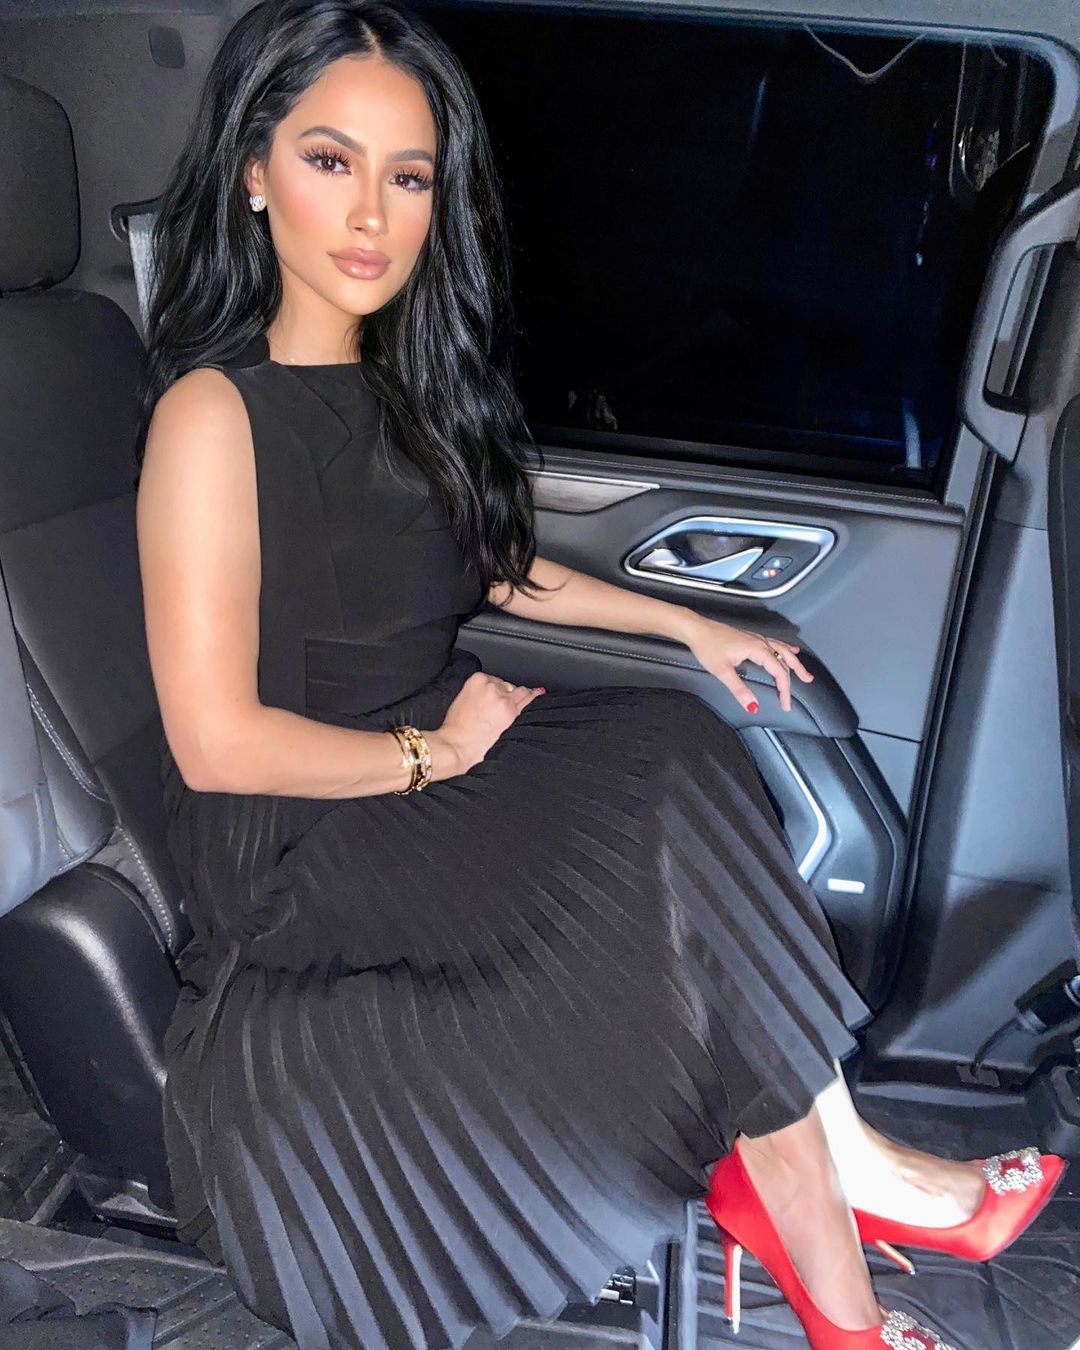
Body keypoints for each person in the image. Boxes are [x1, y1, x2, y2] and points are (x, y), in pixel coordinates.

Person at [133, 3, 1066, 1347]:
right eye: (331, 161)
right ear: (253, 174)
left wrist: (687, 627)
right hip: (300, 832)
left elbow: (497, 566)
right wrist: (439, 756)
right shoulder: (210, 415)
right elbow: (216, 741)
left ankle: (829, 1209)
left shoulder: (402, 383)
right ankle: (845, 1229)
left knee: (675, 748)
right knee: (656, 824)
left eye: (410, 176)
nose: (373, 215)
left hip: (422, 760)